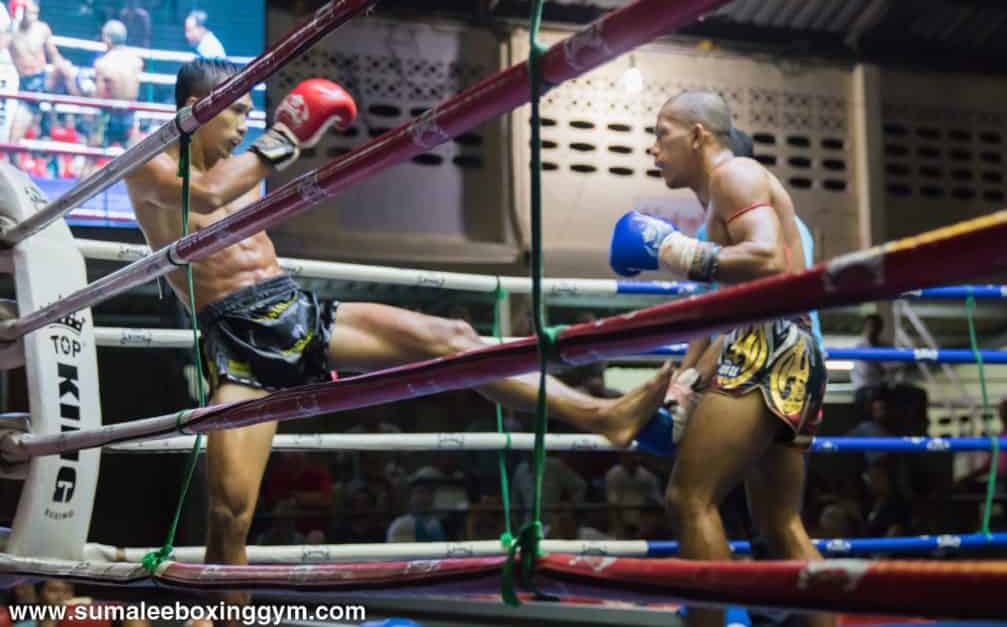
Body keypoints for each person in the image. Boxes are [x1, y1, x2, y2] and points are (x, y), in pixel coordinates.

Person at [123, 58, 668, 622]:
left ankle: (601, 416)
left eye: (247, 112)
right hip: (237, 343)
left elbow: (234, 186)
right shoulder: (150, 166)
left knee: (452, 337)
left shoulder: (239, 164)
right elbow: (208, 199)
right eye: (233, 110)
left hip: (294, 307)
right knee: (229, 516)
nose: (242, 124)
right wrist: (287, 133)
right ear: (195, 110)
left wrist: (281, 142)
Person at [597, 91, 832, 627]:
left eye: (662, 134)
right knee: (780, 524)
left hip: (767, 345)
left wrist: (668, 248)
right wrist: (687, 383)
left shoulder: (735, 174)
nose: (654, 149)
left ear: (699, 134)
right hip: (793, 348)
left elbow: (767, 257)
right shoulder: (724, 193)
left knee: (689, 499)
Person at [6, 0, 70, 142]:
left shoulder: (42, 29)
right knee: (13, 139)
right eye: (30, 12)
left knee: (65, 69)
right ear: (19, 11)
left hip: (43, 80)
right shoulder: (10, 34)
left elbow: (54, 55)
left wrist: (64, 67)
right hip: (25, 84)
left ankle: (77, 113)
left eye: (36, 12)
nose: (34, 16)